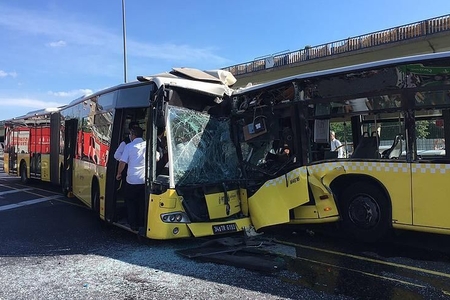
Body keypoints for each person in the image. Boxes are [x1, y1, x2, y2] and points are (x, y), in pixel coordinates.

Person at [116, 126, 146, 231]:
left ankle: (133, 224)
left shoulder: (129, 146)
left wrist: (119, 173)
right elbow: (156, 157)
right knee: (141, 202)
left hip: (132, 180)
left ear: (133, 135)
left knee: (131, 202)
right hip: (144, 180)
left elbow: (122, 162)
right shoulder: (148, 145)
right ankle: (141, 222)